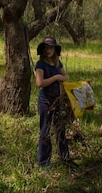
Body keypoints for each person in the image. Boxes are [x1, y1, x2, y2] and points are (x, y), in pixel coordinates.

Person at [34, 35, 73, 167]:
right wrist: (56, 77)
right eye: (46, 47)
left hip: (58, 100)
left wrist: (60, 77)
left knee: (61, 128)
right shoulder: (40, 64)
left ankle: (65, 157)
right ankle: (44, 162)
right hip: (46, 101)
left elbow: (65, 76)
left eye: (50, 47)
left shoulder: (57, 63)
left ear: (55, 49)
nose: (48, 50)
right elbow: (40, 83)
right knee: (45, 130)